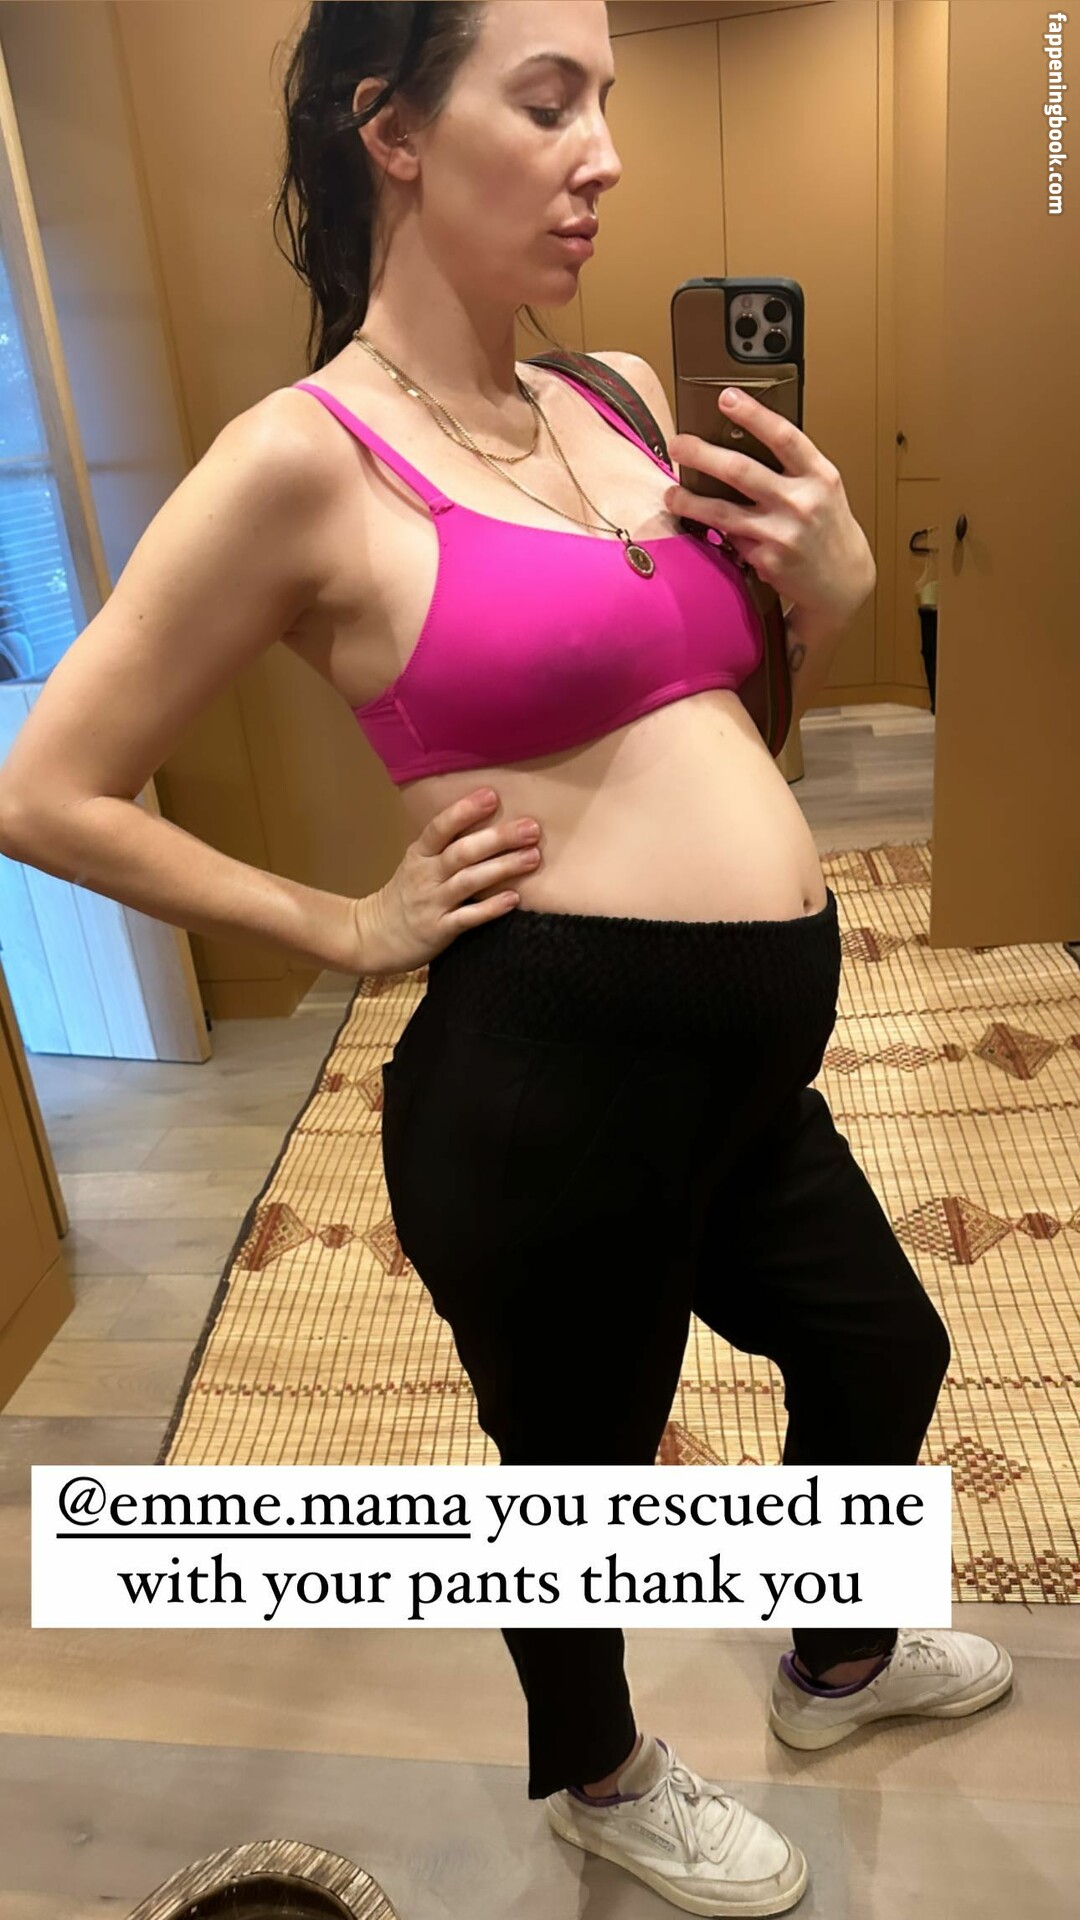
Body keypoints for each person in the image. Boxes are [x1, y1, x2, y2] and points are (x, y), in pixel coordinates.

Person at [0, 3, 1014, 1913]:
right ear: (390, 128)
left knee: (883, 1342)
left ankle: (835, 1659)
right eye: (547, 101)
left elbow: (718, 722)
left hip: (743, 1067)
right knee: (579, 1468)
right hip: (552, 1080)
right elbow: (46, 789)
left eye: (605, 98)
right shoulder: (299, 462)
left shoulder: (615, 397)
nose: (603, 151)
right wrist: (343, 927)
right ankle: (600, 1778)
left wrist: (837, 593)